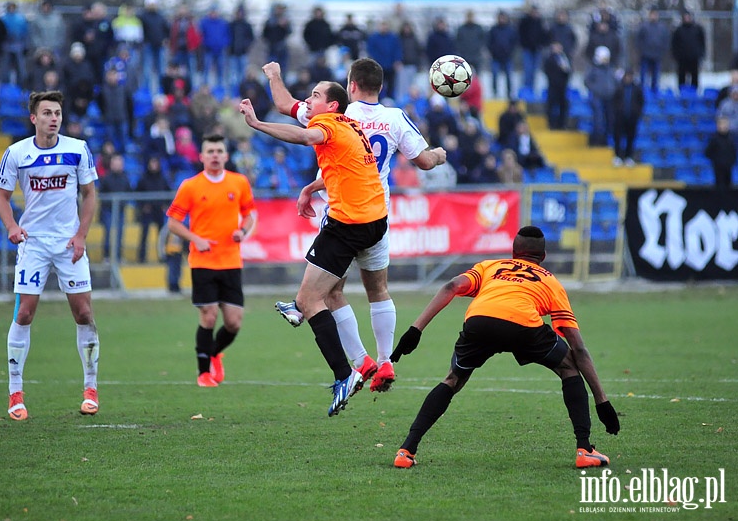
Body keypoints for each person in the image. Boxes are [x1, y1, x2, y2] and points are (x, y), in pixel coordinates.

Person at [263, 58, 447, 395]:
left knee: (329, 292)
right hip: (378, 215)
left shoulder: (335, 115)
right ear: (380, 86)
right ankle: (385, 359)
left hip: (342, 215)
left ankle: (360, 361)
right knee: (378, 289)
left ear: (350, 86)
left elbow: (284, 105)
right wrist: (439, 153)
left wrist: (274, 75)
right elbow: (423, 161)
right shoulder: (395, 117)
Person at [389, 226, 620, 469]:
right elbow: (579, 348)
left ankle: (406, 451)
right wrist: (601, 401)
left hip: (480, 322)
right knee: (569, 367)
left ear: (513, 252)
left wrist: (415, 330)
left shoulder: (490, 266)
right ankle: (584, 449)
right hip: (524, 327)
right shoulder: (550, 282)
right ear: (543, 257)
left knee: (453, 380)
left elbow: (452, 286)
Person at [239, 81, 389, 417]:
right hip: (373, 219)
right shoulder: (350, 126)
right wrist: (311, 187)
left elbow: (305, 137)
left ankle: (345, 373)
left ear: (333, 105)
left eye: (315, 96)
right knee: (329, 290)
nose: (309, 100)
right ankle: (301, 311)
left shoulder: (327, 125)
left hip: (350, 223)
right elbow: (348, 167)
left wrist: (257, 125)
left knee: (312, 300)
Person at [0, 90, 101, 420]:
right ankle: (15, 393)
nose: (54, 118)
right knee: (24, 313)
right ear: (34, 118)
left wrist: (81, 235)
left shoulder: (77, 149)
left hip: (69, 244)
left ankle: (91, 388)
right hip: (34, 244)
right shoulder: (16, 153)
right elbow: (2, 197)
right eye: (47, 113)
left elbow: (90, 194)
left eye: (57, 113)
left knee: (83, 313)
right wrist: (12, 225)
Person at [164, 133, 257, 387]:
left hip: (231, 261)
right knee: (208, 316)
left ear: (226, 156)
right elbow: (173, 223)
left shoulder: (239, 183)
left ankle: (215, 351)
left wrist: (243, 231)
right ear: (201, 156)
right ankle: (203, 373)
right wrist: (196, 238)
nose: (215, 155)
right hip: (203, 261)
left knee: (234, 322)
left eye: (219, 151)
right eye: (210, 151)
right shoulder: (190, 186)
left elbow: (249, 214)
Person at [97, 152, 132, 262]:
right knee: (108, 233)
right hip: (108, 210)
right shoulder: (106, 178)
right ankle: (106, 256)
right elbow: (101, 194)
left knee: (120, 234)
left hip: (120, 210)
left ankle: (118, 256)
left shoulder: (125, 178)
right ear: (111, 164)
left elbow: (129, 192)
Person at [611, 68, 645, 166]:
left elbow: (641, 102)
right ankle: (617, 156)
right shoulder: (619, 87)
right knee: (618, 137)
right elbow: (614, 101)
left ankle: (628, 157)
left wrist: (637, 113)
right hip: (620, 117)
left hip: (632, 117)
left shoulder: (637, 88)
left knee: (631, 137)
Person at [634, 8, 669, 94]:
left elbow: (666, 40)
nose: (654, 16)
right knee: (643, 74)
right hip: (645, 55)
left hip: (657, 55)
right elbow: (638, 40)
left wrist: (662, 51)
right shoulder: (644, 26)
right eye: (652, 14)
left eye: (655, 14)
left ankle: (655, 91)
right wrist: (642, 50)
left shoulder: (662, 27)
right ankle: (641, 91)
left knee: (656, 75)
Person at [670, 10, 705, 91]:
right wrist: (676, 55)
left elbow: (702, 43)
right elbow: (674, 44)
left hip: (694, 58)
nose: (687, 18)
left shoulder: (697, 29)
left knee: (694, 76)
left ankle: (694, 92)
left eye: (688, 17)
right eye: (685, 17)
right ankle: (681, 92)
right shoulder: (678, 30)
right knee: (681, 76)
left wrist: (701, 54)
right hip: (682, 59)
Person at [705, 115, 737, 190]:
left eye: (725, 124)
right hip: (718, 168)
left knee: (729, 186)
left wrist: (731, 161)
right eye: (721, 124)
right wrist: (716, 160)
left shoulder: (731, 138)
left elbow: (733, 152)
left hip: (728, 167)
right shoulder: (714, 139)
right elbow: (707, 152)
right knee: (719, 187)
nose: (723, 126)